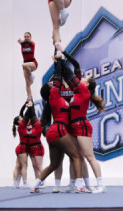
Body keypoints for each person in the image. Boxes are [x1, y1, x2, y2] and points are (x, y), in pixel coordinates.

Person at [30, 55, 86, 193]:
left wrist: (59, 61)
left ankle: (35, 185)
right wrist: (59, 61)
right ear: (51, 89)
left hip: (53, 133)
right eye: (52, 84)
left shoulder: (55, 98)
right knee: (76, 156)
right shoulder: (54, 94)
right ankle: (80, 186)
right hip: (59, 130)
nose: (54, 84)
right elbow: (58, 76)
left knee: (54, 164)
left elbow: (62, 78)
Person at [64, 52, 106, 193]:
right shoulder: (77, 91)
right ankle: (76, 184)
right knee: (76, 157)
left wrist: (62, 57)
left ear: (86, 84)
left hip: (82, 126)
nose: (81, 79)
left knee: (89, 157)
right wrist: (59, 61)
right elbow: (67, 76)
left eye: (84, 78)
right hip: (73, 126)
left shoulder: (84, 91)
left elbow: (70, 74)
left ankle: (101, 184)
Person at [13, 102, 45, 188]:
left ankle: (16, 183)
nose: (23, 118)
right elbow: (26, 116)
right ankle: (22, 183)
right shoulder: (21, 127)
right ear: (19, 122)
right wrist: (29, 107)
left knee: (23, 165)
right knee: (22, 166)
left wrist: (28, 106)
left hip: (29, 147)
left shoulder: (26, 125)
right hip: (23, 147)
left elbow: (29, 116)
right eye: (21, 118)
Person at [18, 32, 38, 102]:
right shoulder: (22, 44)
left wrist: (22, 41)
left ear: (30, 37)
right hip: (26, 64)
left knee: (23, 65)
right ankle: (29, 96)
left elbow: (28, 42)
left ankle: (31, 75)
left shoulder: (32, 43)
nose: (26, 38)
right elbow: (23, 42)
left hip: (33, 63)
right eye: (25, 36)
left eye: (28, 36)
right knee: (27, 82)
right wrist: (21, 42)